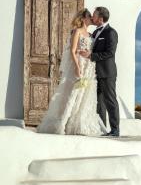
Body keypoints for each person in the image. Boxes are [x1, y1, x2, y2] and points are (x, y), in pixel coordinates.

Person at [37, 8, 107, 136]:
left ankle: (77, 123)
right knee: (73, 92)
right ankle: (63, 123)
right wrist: (77, 66)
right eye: (89, 16)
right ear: (83, 18)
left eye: (92, 16)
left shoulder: (91, 34)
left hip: (89, 67)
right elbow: (73, 50)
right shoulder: (77, 31)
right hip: (79, 65)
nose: (92, 17)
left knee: (84, 93)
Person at [80, 7, 120, 137]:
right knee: (98, 102)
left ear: (101, 18)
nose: (92, 17)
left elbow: (110, 53)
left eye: (95, 15)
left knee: (110, 101)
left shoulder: (111, 32)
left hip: (107, 73)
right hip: (95, 73)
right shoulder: (96, 32)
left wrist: (91, 56)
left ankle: (115, 130)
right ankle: (102, 128)